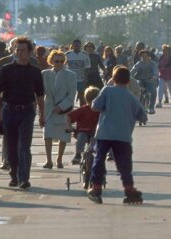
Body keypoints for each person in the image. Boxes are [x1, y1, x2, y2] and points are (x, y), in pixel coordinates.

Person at [86, 66, 147, 204]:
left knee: (99, 160)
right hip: (123, 136)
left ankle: (96, 188)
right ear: (128, 82)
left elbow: (95, 106)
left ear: (113, 79)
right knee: (124, 164)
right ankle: (129, 189)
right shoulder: (131, 97)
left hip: (104, 134)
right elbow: (143, 116)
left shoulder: (107, 91)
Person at [0, 37, 46, 190]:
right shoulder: (6, 70)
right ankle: (14, 174)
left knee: (24, 146)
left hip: (27, 111)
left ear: (30, 52)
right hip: (9, 110)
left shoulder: (35, 71)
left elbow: (40, 96)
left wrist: (42, 115)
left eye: (23, 50)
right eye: (17, 50)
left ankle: (24, 178)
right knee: (11, 146)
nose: (19, 53)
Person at [41, 50, 77, 169]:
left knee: (63, 135)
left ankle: (59, 159)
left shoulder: (71, 75)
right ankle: (48, 160)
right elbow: (40, 92)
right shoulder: (45, 74)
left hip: (64, 109)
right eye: (56, 61)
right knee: (47, 134)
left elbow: (72, 94)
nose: (59, 63)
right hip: (49, 108)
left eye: (62, 61)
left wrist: (61, 106)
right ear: (51, 61)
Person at [67, 86, 101, 165]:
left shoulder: (100, 110)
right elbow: (69, 116)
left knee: (100, 141)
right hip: (83, 131)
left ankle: (102, 156)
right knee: (81, 138)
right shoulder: (83, 110)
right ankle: (78, 155)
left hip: (95, 133)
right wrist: (68, 126)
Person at [131, 50, 158, 114]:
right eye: (142, 56)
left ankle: (151, 107)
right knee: (136, 92)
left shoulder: (153, 64)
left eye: (146, 56)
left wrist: (154, 76)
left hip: (150, 80)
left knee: (153, 91)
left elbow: (156, 72)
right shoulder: (139, 64)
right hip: (140, 80)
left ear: (149, 56)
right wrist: (129, 76)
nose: (144, 57)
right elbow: (133, 71)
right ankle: (137, 106)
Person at [65, 39, 91, 106]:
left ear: (80, 45)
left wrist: (85, 79)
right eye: (75, 45)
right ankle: (69, 111)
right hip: (70, 80)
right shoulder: (67, 54)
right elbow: (63, 67)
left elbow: (87, 67)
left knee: (82, 97)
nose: (76, 47)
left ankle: (82, 111)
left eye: (78, 45)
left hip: (81, 79)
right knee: (69, 97)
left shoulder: (85, 54)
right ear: (73, 45)